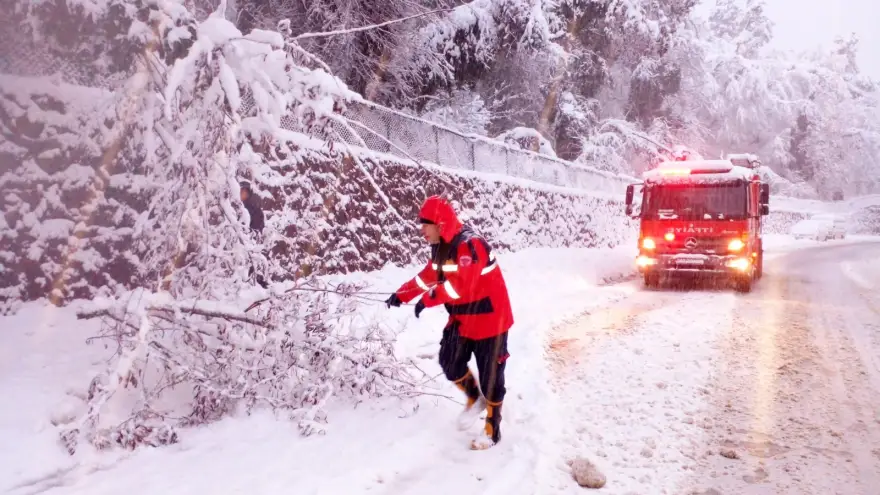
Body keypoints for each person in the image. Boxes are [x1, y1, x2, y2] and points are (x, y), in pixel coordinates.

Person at [385, 196, 513, 450]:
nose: (421, 230)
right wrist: (402, 294)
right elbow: (429, 276)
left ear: (439, 223)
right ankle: (474, 397)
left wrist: (429, 299)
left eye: (425, 225)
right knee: (449, 361)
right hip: (463, 321)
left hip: (490, 322)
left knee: (491, 378)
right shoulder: (443, 247)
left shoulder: (470, 245)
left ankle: (492, 428)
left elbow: (463, 286)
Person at [240, 181, 268, 289]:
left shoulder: (254, 209)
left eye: (244, 192)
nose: (242, 194)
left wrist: (250, 237)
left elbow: (258, 228)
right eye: (240, 191)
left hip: (250, 243)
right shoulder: (232, 209)